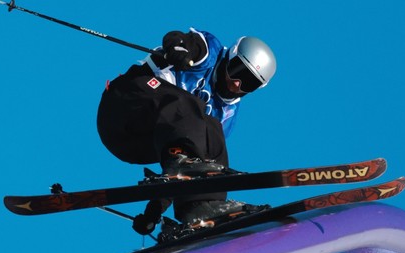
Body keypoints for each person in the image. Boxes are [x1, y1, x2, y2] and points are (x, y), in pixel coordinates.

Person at [96, 29, 276, 234]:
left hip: (135, 146)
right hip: (123, 106)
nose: (237, 83)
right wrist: (179, 49)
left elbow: (178, 168)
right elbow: (179, 39)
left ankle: (201, 207)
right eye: (237, 71)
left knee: (212, 136)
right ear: (229, 57)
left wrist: (154, 210)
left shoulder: (226, 115)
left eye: (249, 83)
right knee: (187, 103)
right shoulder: (209, 53)